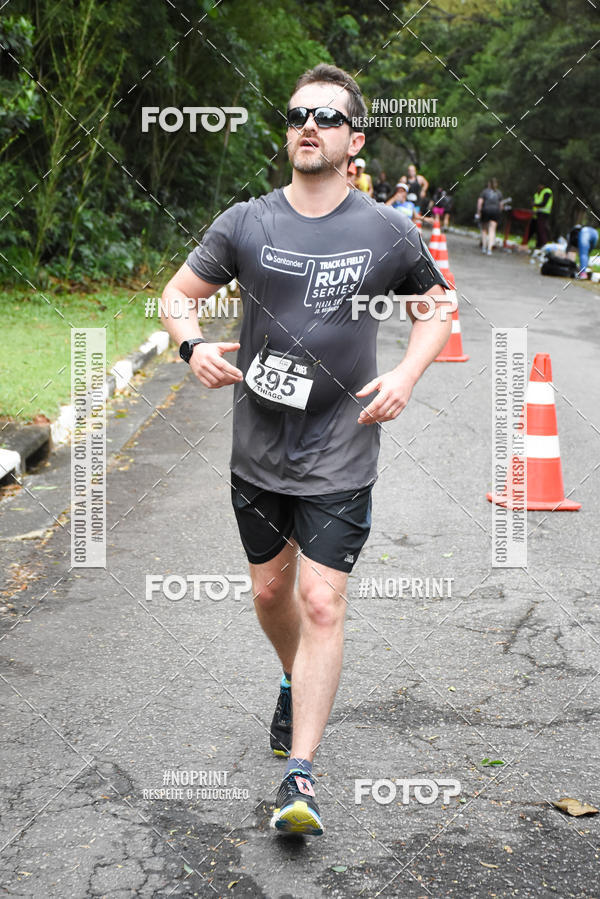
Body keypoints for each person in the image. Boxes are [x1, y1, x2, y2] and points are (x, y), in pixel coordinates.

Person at [160, 62, 452, 837]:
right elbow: (176, 296)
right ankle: (292, 676)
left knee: (322, 598)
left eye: (326, 117)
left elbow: (438, 308)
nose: (308, 127)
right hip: (258, 447)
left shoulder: (387, 229)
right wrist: (191, 348)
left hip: (340, 446)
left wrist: (407, 374)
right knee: (269, 592)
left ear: (354, 139)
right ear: (288, 131)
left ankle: (302, 773)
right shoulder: (246, 222)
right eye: (297, 115)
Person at [476, 178, 503, 255]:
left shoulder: (484, 192)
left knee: (484, 229)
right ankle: (489, 249)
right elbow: (501, 206)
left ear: (489, 184)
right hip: (495, 212)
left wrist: (478, 213)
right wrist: (499, 213)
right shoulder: (499, 193)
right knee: (492, 230)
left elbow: (480, 203)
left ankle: (484, 247)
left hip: (486, 211)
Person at [531, 183, 554, 249]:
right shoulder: (540, 193)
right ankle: (539, 245)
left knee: (541, 229)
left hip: (544, 213)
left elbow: (544, 203)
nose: (539, 187)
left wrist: (535, 205)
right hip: (539, 213)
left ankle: (545, 245)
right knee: (539, 229)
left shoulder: (547, 191)